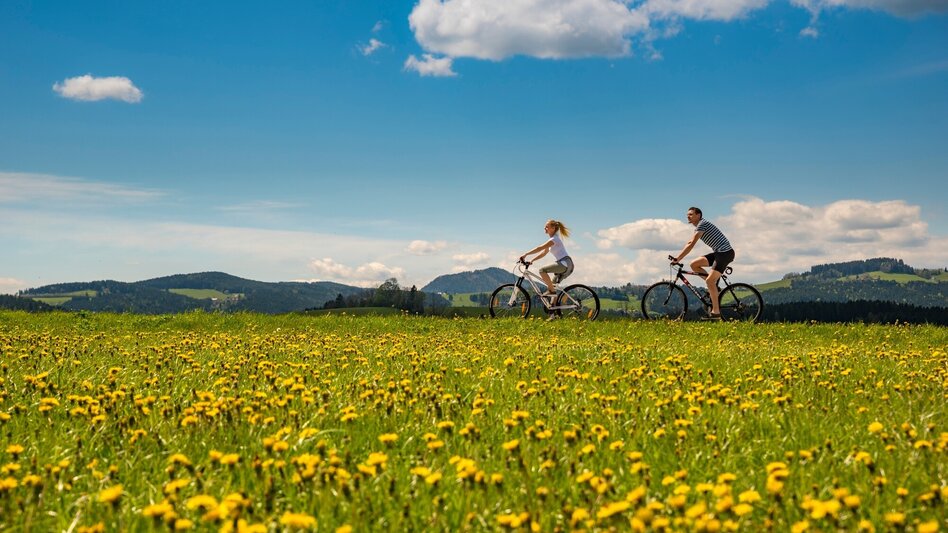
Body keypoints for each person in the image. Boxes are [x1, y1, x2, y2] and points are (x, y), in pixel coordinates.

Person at [672, 207, 734, 319]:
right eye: (687, 215)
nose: (688, 216)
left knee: (710, 281)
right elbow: (690, 242)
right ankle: (714, 287)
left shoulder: (702, 224)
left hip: (725, 253)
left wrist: (678, 258)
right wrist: (679, 257)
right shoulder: (699, 226)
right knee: (694, 264)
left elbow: (691, 244)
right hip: (718, 253)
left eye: (691, 214)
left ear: (698, 215)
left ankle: (716, 312)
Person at [519, 219, 574, 301]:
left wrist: (526, 254)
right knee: (552, 285)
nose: (544, 228)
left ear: (553, 228)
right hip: (566, 263)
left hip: (564, 263)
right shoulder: (553, 240)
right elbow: (543, 253)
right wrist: (532, 260)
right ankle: (553, 307)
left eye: (547, 227)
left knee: (542, 270)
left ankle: (552, 291)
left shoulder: (554, 240)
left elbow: (539, 248)